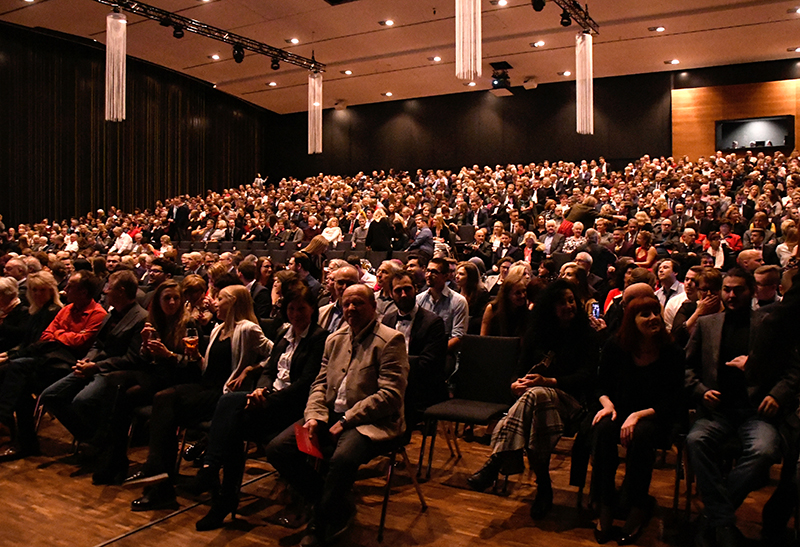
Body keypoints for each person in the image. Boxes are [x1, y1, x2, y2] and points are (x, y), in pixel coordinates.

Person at [265, 284, 409, 546]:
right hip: (330, 415)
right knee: (278, 448)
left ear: (374, 307)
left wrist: (347, 420)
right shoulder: (335, 338)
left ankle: (320, 522)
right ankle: (336, 506)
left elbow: (390, 395)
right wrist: (314, 416)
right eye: (346, 304)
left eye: (358, 303)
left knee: (341, 459)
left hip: (369, 421)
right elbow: (319, 384)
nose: (351, 308)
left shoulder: (390, 340)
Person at [193, 279, 329, 530]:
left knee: (229, 404)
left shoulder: (320, 339)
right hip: (270, 400)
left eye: (301, 309)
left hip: (293, 407)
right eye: (291, 309)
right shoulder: (282, 333)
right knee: (232, 427)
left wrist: (267, 398)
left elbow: (306, 383)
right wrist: (261, 389)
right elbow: (269, 369)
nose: (296, 314)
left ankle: (212, 471)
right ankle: (224, 496)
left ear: (312, 309)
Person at [125, 285, 273, 511]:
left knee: (165, 403)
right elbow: (208, 367)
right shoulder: (217, 329)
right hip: (206, 386)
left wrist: (251, 369)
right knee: (163, 403)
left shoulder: (248, 329)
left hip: (223, 395)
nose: (212, 302)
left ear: (232, 303)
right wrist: (196, 356)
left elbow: (277, 355)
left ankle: (157, 474)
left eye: (219, 298)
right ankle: (160, 477)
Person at [685, 268, 798, 547]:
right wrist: (700, 391)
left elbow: (794, 370)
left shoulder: (769, 322)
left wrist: (777, 395)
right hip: (716, 411)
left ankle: (712, 519)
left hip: (756, 411)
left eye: (738, 290)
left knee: (766, 450)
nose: (731, 295)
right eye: (726, 289)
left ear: (752, 291)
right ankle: (721, 521)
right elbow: (685, 367)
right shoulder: (707, 323)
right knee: (695, 440)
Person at [467, 280, 598, 520]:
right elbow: (520, 368)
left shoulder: (586, 334)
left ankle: (497, 461)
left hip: (573, 402)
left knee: (537, 394)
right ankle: (543, 487)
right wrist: (515, 383)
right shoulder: (537, 333)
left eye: (571, 300)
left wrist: (548, 382)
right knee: (536, 401)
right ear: (550, 307)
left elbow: (587, 376)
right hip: (541, 406)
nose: (569, 306)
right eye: (562, 302)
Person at [591, 295, 684, 544]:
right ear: (631, 321)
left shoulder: (670, 350)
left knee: (642, 435)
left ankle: (637, 506)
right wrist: (608, 404)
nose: (653, 318)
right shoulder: (616, 346)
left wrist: (638, 414)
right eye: (645, 314)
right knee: (603, 429)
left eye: (655, 312)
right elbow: (600, 385)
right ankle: (605, 503)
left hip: (656, 415)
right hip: (619, 409)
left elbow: (673, 399)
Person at [0, 271, 106, 460]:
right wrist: (64, 336)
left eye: (70, 286)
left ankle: (7, 424)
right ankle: (23, 441)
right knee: (17, 382)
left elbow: (82, 341)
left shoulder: (98, 313)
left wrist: (59, 335)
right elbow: (46, 336)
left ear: (83, 292)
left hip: (73, 367)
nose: (65, 289)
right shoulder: (66, 309)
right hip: (51, 363)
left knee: (15, 369)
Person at [39, 271, 148, 449]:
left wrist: (95, 366)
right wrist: (87, 360)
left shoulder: (141, 318)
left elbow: (132, 358)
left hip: (114, 372)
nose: (104, 292)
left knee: (82, 402)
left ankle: (98, 444)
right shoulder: (111, 315)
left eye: (109, 288)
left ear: (120, 291)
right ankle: (93, 438)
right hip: (94, 366)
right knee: (50, 396)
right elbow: (98, 344)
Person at [381, 270, 448, 422]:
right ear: (391, 294)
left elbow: (429, 363)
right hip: (391, 383)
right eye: (398, 290)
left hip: (420, 387)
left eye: (407, 289)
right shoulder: (387, 320)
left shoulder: (433, 322)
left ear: (416, 289)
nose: (403, 294)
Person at [417, 257, 468, 352]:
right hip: (421, 352)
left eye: (434, 272)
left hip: (445, 352)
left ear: (445, 276)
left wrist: (436, 353)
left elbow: (458, 337)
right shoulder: (419, 299)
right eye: (428, 271)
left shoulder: (458, 301)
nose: (428, 275)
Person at [481, 270, 531, 337]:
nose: (523, 295)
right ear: (507, 294)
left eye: (524, 291)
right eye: (517, 293)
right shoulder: (492, 309)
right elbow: (483, 337)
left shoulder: (526, 313)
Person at [454, 260, 490, 334]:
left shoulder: (482, 294)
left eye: (461, 274)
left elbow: (480, 319)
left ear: (470, 277)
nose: (457, 277)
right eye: (456, 273)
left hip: (472, 331)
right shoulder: (455, 292)